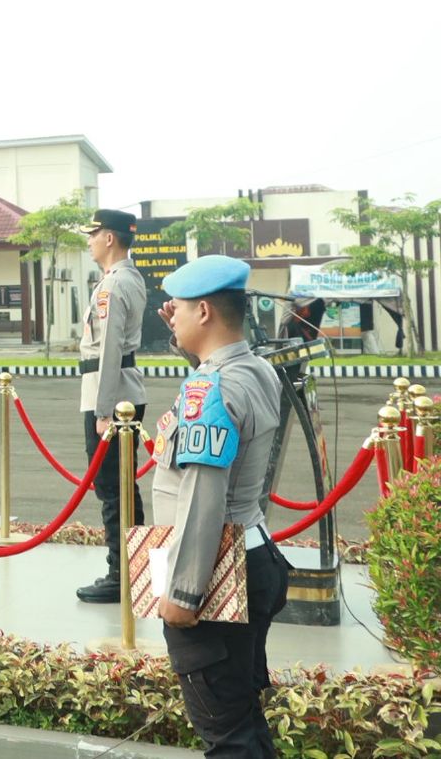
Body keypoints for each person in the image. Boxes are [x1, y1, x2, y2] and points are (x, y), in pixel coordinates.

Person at [154, 255, 290, 757]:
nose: (176, 317)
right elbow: (216, 377)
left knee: (227, 737)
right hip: (253, 556)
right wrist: (183, 339)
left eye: (183, 310)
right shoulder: (254, 370)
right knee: (244, 722)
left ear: (205, 312)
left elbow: (202, 494)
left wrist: (184, 592)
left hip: (215, 577)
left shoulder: (209, 389)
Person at [75, 210, 149, 603]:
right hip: (122, 392)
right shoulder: (126, 279)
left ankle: (121, 574)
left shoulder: (112, 286)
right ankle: (131, 568)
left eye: (93, 234)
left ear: (109, 239)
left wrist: (103, 411)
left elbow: (108, 349)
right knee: (120, 484)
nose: (89, 241)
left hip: (111, 395)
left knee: (111, 487)